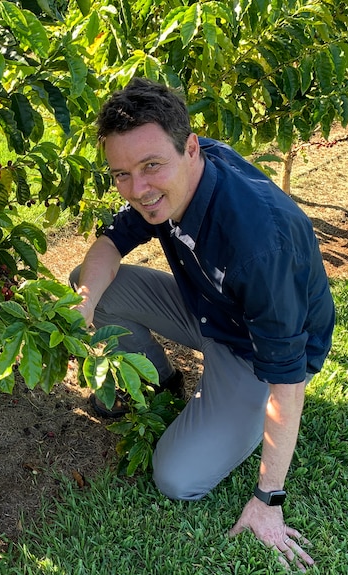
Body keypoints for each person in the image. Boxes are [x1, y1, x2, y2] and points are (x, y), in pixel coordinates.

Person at [70, 78, 334, 570]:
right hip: (209, 306)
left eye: (150, 167)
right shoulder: (169, 178)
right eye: (121, 174)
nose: (138, 189)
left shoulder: (259, 244)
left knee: (176, 478)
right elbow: (109, 243)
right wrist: (82, 309)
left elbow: (289, 379)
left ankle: (242, 413)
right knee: (90, 283)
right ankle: (165, 384)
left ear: (191, 149)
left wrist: (268, 499)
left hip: (253, 348)